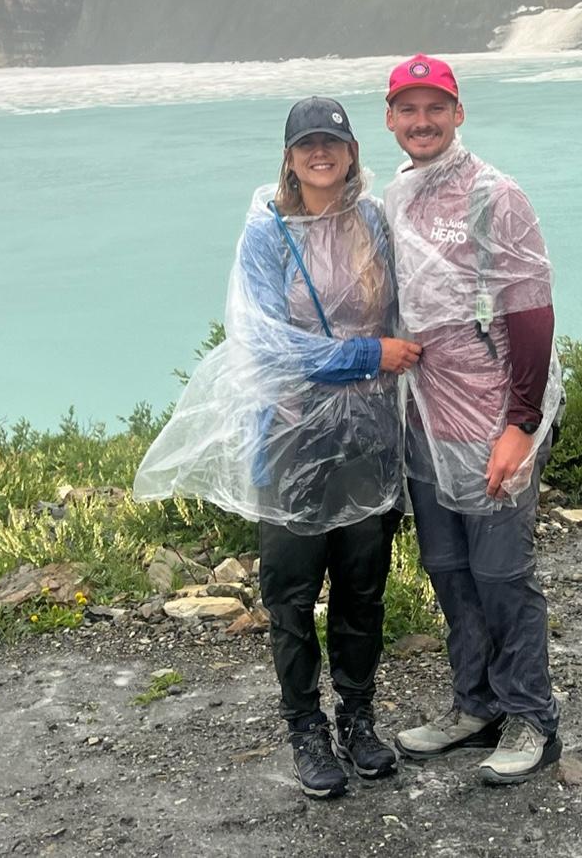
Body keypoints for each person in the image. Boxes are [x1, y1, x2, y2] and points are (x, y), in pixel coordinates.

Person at [134, 96, 421, 800]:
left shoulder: (375, 222)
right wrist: (365, 356)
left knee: (363, 591)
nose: (320, 153)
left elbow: (414, 312)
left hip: (369, 439)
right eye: (306, 144)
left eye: (333, 141)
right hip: (292, 438)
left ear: (352, 152)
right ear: (289, 158)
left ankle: (357, 719)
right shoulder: (268, 232)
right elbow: (259, 345)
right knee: (291, 595)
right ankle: (305, 730)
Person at [382, 55, 564, 785]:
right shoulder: (394, 197)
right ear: (390, 119)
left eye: (436, 107)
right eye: (407, 109)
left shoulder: (495, 195)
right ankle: (476, 702)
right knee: (448, 569)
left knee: (501, 574)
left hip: (492, 416)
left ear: (459, 113)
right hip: (425, 417)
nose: (421, 122)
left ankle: (532, 718)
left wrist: (519, 425)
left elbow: (530, 310)